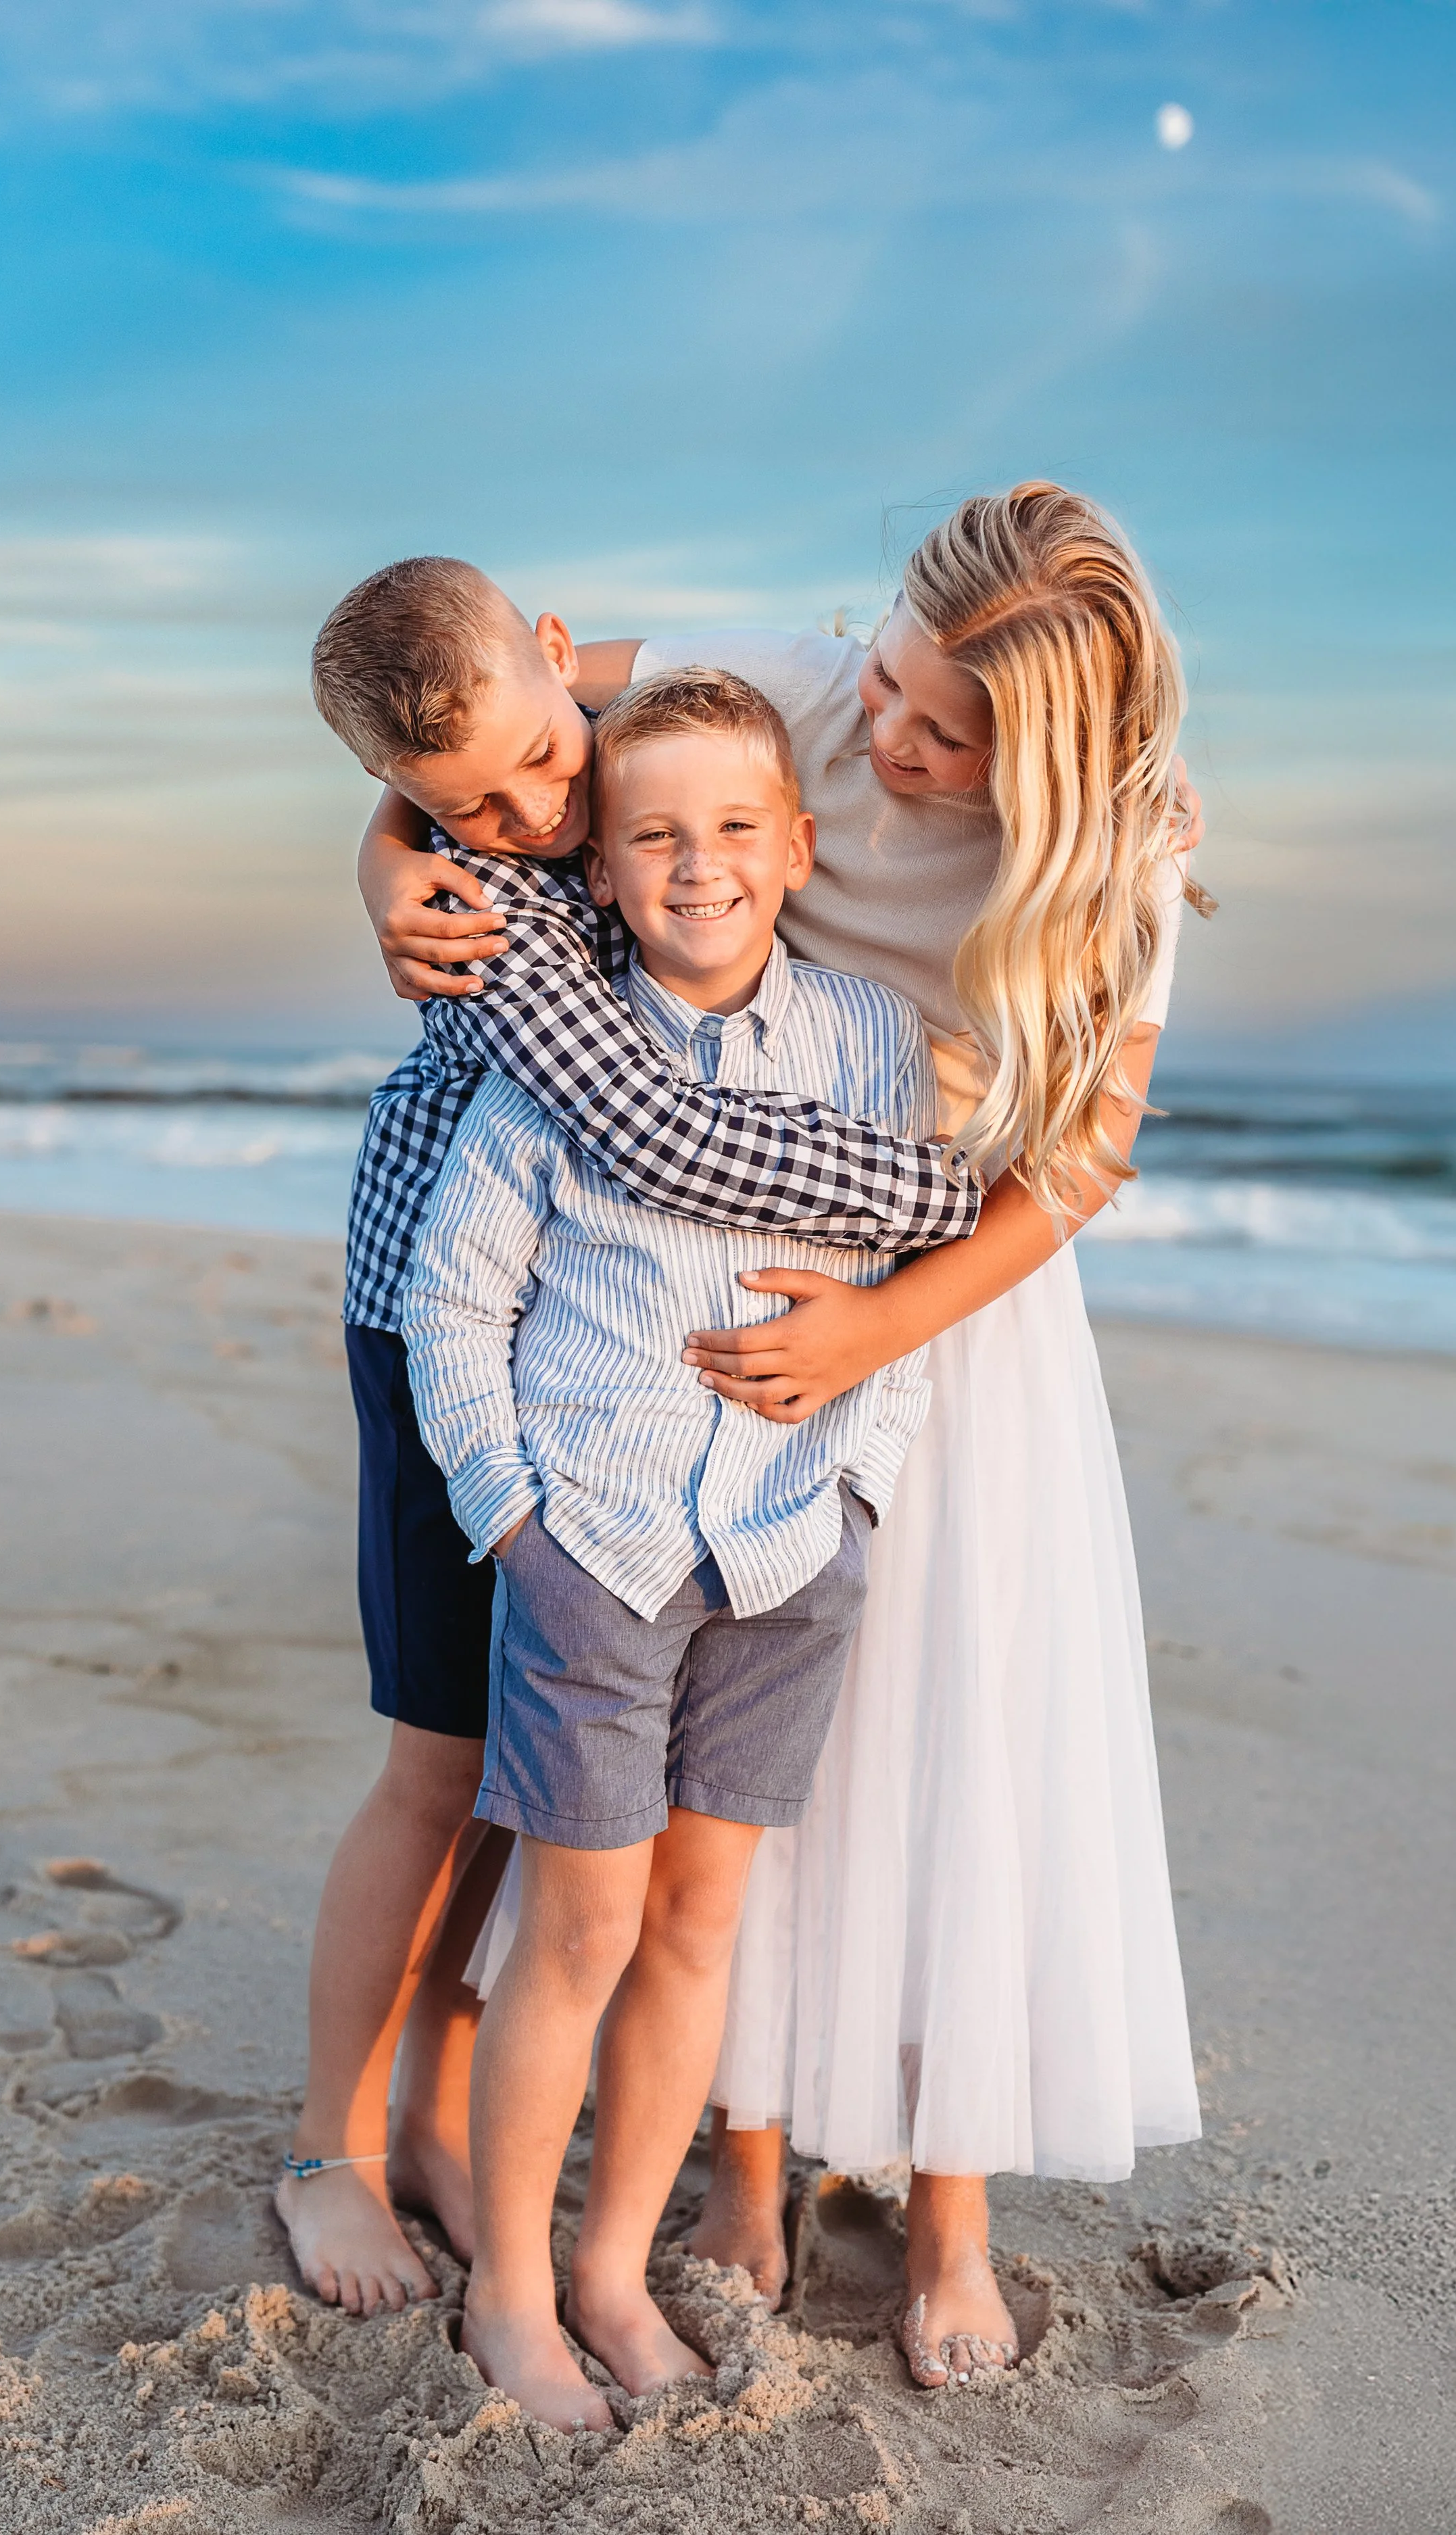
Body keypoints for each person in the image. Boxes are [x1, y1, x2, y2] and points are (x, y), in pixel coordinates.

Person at [358, 483, 1209, 2389]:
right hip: (686, 1334)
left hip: (944, 1309)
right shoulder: (803, 685)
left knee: (951, 1758)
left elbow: (1083, 1151)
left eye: (948, 734)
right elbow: (509, 717)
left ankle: (947, 2208)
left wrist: (874, 1331)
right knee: (751, 1817)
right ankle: (738, 2169)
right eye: (895, 686)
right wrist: (382, 851)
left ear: (1056, 765)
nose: (897, 737)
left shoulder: (1121, 859)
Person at [283, 559, 979, 2318]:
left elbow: (835, 697)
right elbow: (654, 1133)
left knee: (534, 1804)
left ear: (557, 655)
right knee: (441, 1764)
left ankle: (441, 2112)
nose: (525, 816)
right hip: (447, 1318)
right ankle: (331, 2146)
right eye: (462, 811)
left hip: (614, 1374)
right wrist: (939, 1203)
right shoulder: (496, 895)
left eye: (537, 765)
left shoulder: (632, 751)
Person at [403, 668, 936, 2432]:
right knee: (580, 1925)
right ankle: (508, 2290)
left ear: (792, 847)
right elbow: (453, 1300)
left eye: (729, 828)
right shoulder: (561, 1057)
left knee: (698, 1924)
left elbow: (895, 1301)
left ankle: (615, 2270)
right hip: (598, 1548)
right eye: (653, 835)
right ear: (608, 871)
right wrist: (514, 1519)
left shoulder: (864, 1040)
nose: (695, 863)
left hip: (785, 1555)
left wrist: (848, 1475)